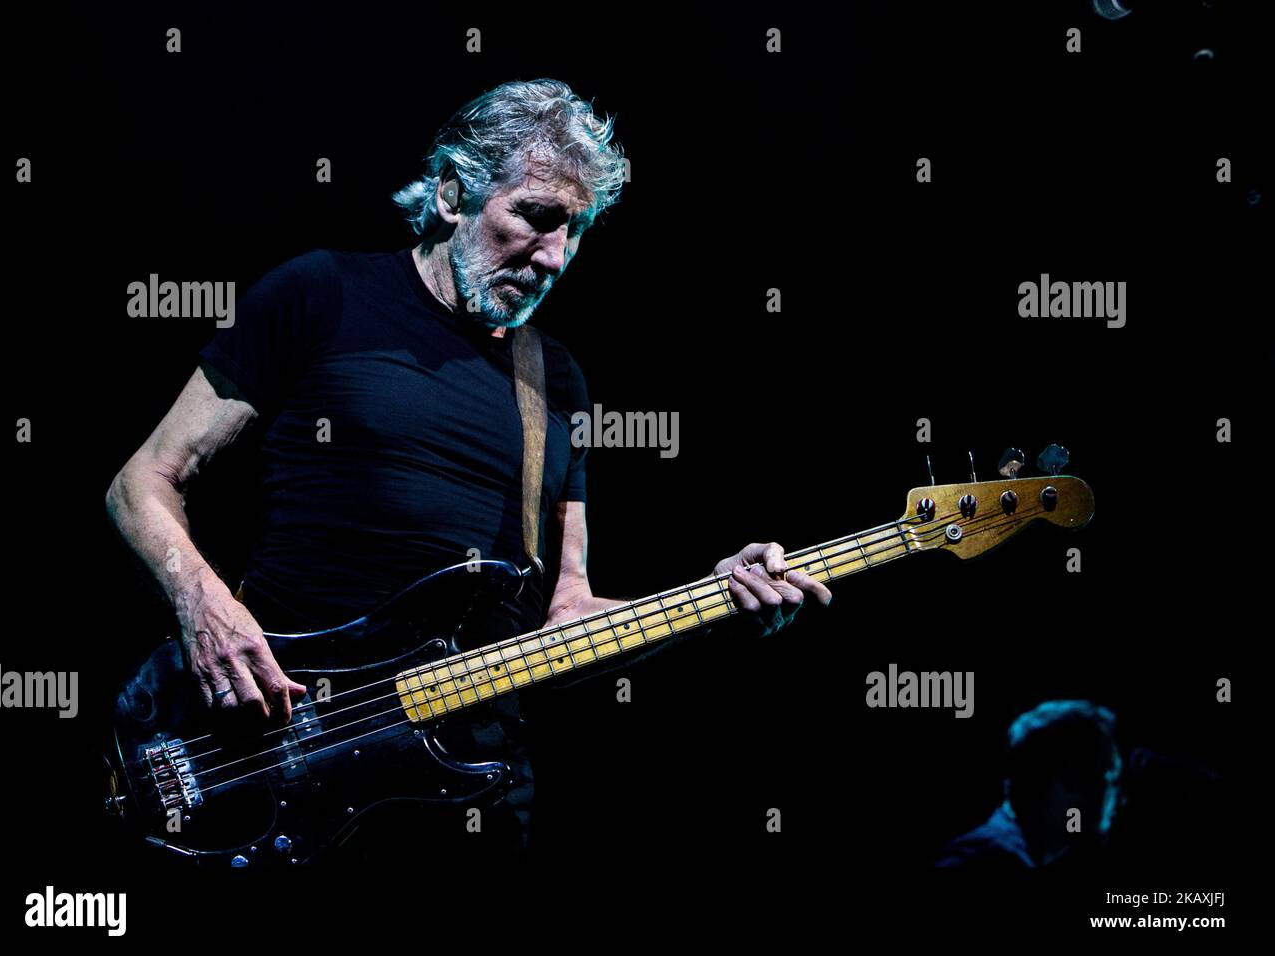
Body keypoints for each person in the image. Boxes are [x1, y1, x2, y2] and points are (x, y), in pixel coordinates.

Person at [104, 78, 831, 856]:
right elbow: (142, 481)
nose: (554, 256)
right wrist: (205, 606)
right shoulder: (320, 294)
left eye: (576, 230)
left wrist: (714, 599)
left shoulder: (555, 382)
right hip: (275, 746)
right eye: (535, 217)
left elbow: (568, 618)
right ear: (452, 192)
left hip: (469, 794)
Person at [935, 700, 1122, 868]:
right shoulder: (983, 864)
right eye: (1108, 776)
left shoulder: (1005, 856)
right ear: (1071, 781)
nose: (1119, 798)